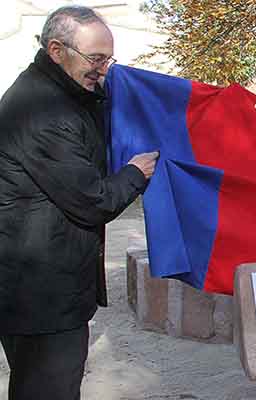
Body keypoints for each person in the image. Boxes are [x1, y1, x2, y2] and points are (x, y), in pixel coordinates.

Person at [0, 6, 158, 399]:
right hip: (41, 297)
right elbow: (93, 201)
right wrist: (136, 173)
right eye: (96, 59)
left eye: (109, 58)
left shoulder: (64, 92)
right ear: (57, 50)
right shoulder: (42, 111)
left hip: (46, 286)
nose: (104, 70)